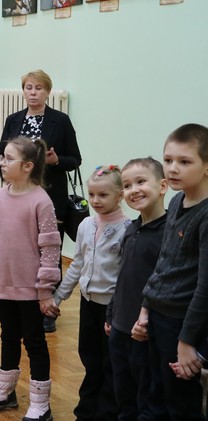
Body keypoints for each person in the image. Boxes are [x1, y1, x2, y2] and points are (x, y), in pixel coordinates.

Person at [0, 136, 61, 421]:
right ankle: (5, 393)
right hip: (2, 283)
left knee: (34, 342)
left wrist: (45, 290)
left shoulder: (41, 201)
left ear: (27, 166)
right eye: (3, 157)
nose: (2, 162)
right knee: (8, 336)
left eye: (9, 158)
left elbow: (50, 248)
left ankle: (41, 404)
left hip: (30, 288)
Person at [0, 69, 82, 332]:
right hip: (17, 197)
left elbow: (75, 159)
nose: (33, 93)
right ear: (23, 91)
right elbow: (0, 156)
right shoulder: (13, 120)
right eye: (29, 87)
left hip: (50, 196)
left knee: (49, 250)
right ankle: (21, 300)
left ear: (47, 92)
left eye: (39, 88)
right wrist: (8, 176)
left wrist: (55, 160)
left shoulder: (60, 121)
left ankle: (49, 309)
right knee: (22, 248)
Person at [132, 124, 208, 420]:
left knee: (180, 405)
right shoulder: (176, 201)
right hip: (158, 317)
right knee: (153, 396)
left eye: (185, 161)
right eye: (168, 160)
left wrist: (187, 342)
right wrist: (146, 308)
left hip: (183, 323)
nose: (173, 168)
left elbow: (205, 287)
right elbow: (164, 262)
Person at [52, 165, 130, 420]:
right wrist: (59, 296)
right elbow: (77, 264)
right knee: (90, 357)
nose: (95, 200)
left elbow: (126, 276)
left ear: (120, 195)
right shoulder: (86, 224)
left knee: (110, 361)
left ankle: (108, 412)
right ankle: (87, 410)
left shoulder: (128, 229)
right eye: (92, 194)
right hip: (88, 303)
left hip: (112, 308)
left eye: (103, 195)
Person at [107, 158, 167, 420]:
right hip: (120, 326)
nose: (134, 190)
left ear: (163, 186)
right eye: (128, 185)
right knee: (123, 390)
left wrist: (147, 320)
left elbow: (163, 282)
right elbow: (123, 276)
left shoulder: (167, 233)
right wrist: (111, 313)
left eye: (141, 182)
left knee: (146, 392)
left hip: (144, 331)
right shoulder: (132, 228)